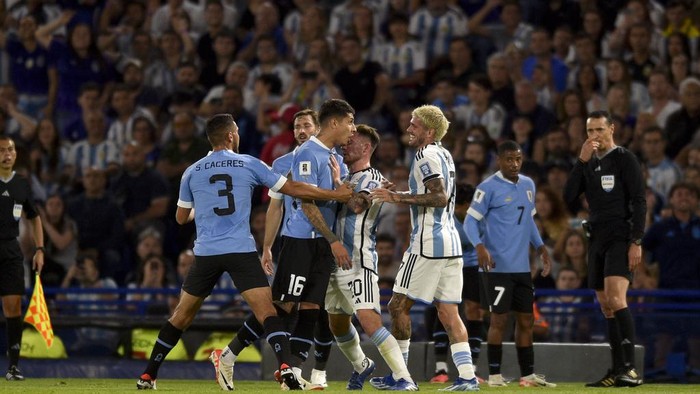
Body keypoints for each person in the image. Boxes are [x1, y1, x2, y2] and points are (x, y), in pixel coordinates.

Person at [135, 114, 352, 390]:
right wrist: (336, 195)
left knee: (181, 316)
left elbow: (180, 218)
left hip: (206, 254)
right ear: (229, 136)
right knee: (267, 313)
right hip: (240, 250)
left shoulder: (192, 170)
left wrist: (202, 208)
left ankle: (148, 375)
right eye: (236, 131)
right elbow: (293, 188)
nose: (238, 135)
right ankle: (285, 367)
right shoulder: (248, 163)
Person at [369, 104, 479, 391]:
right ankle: (467, 378)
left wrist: (397, 199)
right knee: (448, 312)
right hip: (451, 244)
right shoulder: (444, 153)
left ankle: (401, 377)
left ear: (429, 131)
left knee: (397, 305)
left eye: (414, 125)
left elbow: (438, 197)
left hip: (428, 243)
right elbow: (436, 195)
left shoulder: (424, 154)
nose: (409, 128)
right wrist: (398, 194)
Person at [266, 99, 356, 387]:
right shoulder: (297, 158)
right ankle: (232, 353)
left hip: (322, 244)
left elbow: (342, 198)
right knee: (284, 306)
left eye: (306, 125)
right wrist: (267, 246)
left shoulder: (334, 158)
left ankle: (294, 371)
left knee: (310, 308)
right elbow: (298, 203)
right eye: (349, 122)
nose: (352, 129)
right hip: (300, 241)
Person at [325, 124, 416, 390]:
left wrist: (336, 184)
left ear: (366, 148)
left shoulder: (373, 178)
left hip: (358, 261)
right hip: (333, 263)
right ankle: (361, 365)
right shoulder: (342, 173)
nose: (345, 144)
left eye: (351, 142)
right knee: (338, 325)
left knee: (368, 319)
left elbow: (355, 205)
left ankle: (404, 378)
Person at [464, 140, 556, 388]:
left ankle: (528, 375)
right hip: (497, 269)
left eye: (518, 159)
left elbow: (528, 222)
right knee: (498, 321)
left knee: (527, 321)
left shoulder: (528, 185)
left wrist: (540, 247)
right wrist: (480, 246)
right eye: (509, 159)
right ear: (499, 160)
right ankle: (494, 376)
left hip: (522, 269)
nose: (514, 164)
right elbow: (470, 223)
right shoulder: (487, 187)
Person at [564, 110, 646, 387]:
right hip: (596, 237)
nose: (594, 136)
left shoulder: (625, 158)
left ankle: (631, 369)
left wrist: (636, 240)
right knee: (605, 306)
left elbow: (639, 200)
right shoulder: (588, 162)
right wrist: (581, 160)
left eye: (599, 129)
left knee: (616, 298)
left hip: (620, 236)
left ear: (612, 128)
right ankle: (616, 369)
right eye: (590, 131)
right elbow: (568, 196)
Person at [428, 183, 485, 384]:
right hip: (448, 264)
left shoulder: (480, 219)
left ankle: (473, 369)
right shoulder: (445, 217)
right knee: (444, 311)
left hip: (472, 268)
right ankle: (440, 369)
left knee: (474, 311)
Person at [0, 135, 44, 381]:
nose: (6, 154)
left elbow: (34, 216)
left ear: (15, 155)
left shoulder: (21, 184)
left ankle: (13, 366)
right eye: (2, 150)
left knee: (13, 306)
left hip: (11, 249)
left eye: (10, 150)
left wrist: (40, 249)